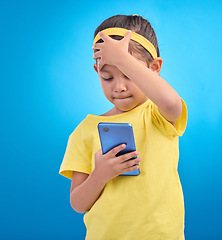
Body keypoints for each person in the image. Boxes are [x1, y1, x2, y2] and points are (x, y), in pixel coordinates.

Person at [59, 14, 188, 240]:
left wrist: (121, 58)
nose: (118, 88)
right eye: (108, 77)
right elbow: (78, 204)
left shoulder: (158, 114)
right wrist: (100, 175)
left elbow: (171, 101)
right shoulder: (85, 130)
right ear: (97, 72)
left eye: (128, 74)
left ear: (154, 68)